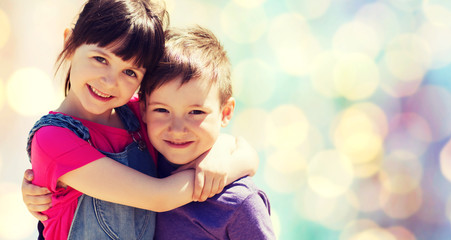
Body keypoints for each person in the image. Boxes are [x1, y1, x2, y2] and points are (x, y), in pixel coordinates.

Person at [22, 0, 258, 239]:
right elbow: (159, 197)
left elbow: (244, 152)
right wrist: (222, 172)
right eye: (100, 59)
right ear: (70, 43)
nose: (110, 82)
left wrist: (219, 155)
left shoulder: (139, 114)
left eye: (130, 72)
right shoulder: (52, 139)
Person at [139, 25, 275, 239]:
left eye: (195, 112)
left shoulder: (239, 202)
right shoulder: (138, 165)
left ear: (225, 112)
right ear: (143, 109)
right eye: (162, 110)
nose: (176, 129)